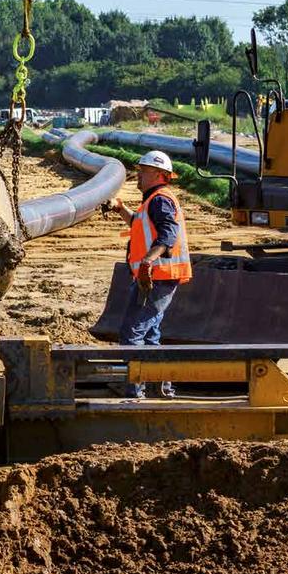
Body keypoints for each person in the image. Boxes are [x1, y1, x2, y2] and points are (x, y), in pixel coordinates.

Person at [111, 149, 192, 398]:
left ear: (158, 174)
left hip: (157, 277)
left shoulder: (160, 200)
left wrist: (148, 260)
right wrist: (121, 209)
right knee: (149, 334)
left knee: (132, 332)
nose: (138, 175)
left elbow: (168, 233)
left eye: (143, 171)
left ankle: (135, 391)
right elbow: (140, 224)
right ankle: (159, 387)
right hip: (155, 277)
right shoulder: (152, 201)